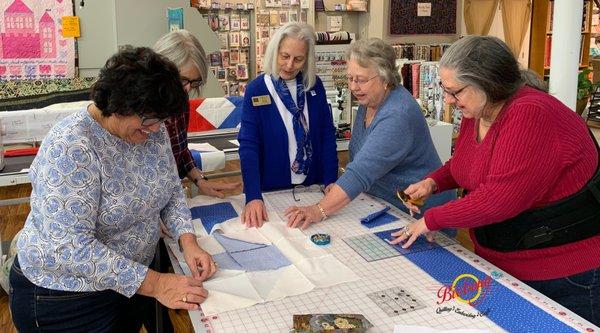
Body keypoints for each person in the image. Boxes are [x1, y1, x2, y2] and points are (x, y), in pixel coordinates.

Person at [391, 35, 600, 326]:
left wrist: (432, 219)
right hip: (506, 261)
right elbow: (467, 165)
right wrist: (433, 183)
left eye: (455, 91)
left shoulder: (531, 113)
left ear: (487, 84)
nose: (449, 100)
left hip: (563, 274)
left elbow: (498, 199)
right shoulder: (478, 110)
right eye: (445, 89)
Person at [10, 47, 217, 332]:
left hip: (127, 284)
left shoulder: (150, 129)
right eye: (149, 121)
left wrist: (188, 241)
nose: (157, 130)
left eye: (161, 121)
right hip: (65, 298)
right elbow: (71, 248)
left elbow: (170, 190)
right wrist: (156, 283)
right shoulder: (72, 146)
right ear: (119, 106)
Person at [284, 38, 454, 229]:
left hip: (420, 215)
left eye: (361, 80)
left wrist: (318, 210)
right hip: (384, 206)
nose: (353, 87)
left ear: (385, 79)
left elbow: (361, 172)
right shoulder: (369, 102)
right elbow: (360, 160)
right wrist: (341, 187)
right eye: (350, 78)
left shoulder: (398, 114)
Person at [238, 22, 338, 227]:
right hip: (273, 189)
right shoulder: (257, 89)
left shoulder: (314, 85)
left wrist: (331, 180)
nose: (290, 65)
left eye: (298, 59)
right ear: (274, 52)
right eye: (285, 56)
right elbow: (249, 146)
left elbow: (327, 136)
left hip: (313, 187)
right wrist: (253, 195)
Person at [154, 29, 239, 198]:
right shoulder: (139, 107)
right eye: (182, 79)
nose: (187, 88)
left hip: (168, 195)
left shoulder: (180, 99)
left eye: (195, 82)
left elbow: (180, 149)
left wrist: (200, 180)